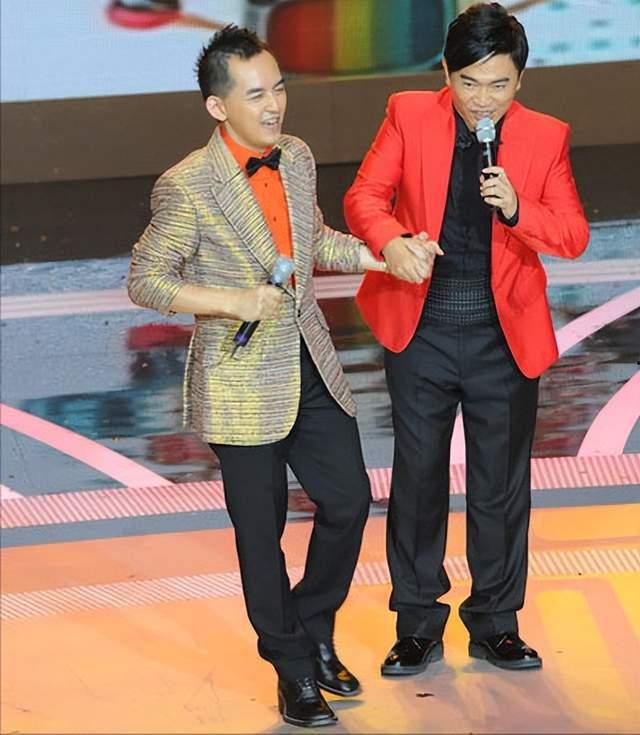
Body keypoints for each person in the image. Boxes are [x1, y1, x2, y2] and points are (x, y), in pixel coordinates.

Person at [128, 25, 393, 728]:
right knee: (260, 533)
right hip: (240, 377)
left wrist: (381, 255)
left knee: (349, 502)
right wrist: (232, 301)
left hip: (309, 359)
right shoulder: (187, 185)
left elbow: (314, 240)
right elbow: (146, 280)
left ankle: (311, 625)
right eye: (255, 94)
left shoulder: (296, 156)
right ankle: (292, 666)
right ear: (218, 106)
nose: (274, 105)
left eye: (279, 88)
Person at [344, 2, 589, 675]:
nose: (483, 99)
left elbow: (572, 234)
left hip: (501, 338)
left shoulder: (545, 136)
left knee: (499, 488)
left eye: (499, 84)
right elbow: (364, 197)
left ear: (520, 80)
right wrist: (392, 242)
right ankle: (417, 623)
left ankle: (495, 623)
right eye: (469, 82)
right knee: (418, 479)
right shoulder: (407, 114)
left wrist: (517, 207)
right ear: (446, 74)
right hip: (420, 330)